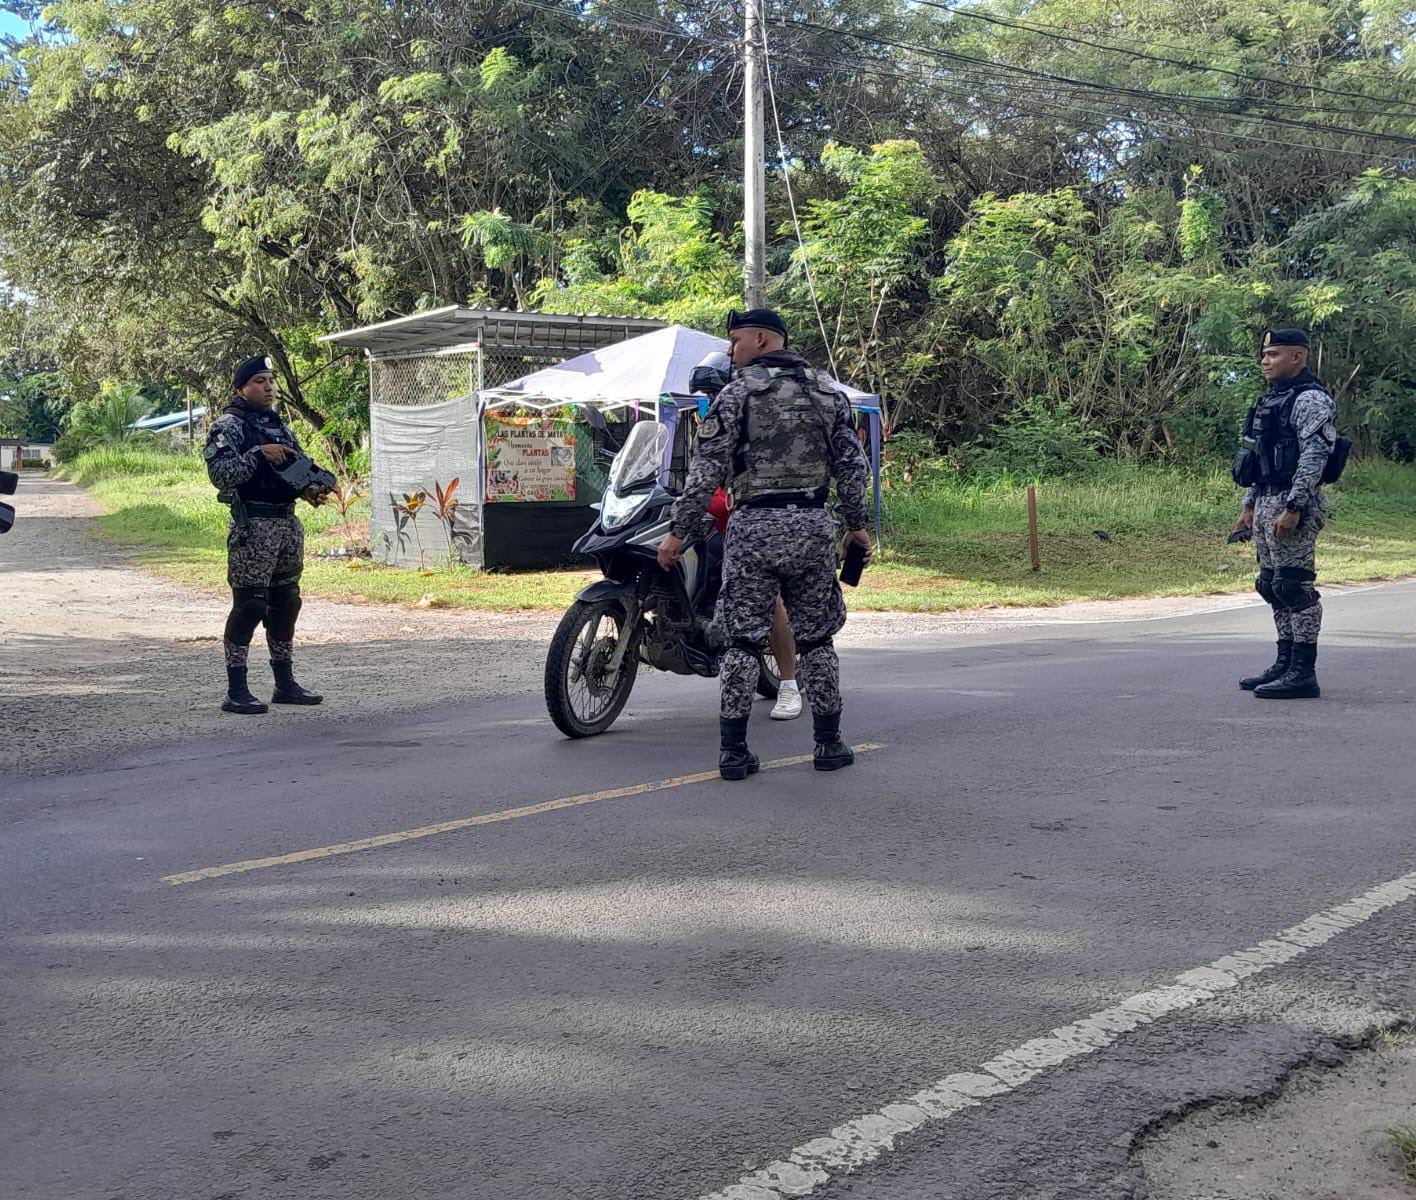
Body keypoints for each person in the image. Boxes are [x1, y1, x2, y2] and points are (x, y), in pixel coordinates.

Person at [659, 309, 871, 780]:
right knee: (817, 639)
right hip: (812, 526)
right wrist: (855, 526)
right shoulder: (827, 393)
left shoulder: (736, 395)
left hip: (753, 528)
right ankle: (829, 743)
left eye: (735, 340)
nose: (730, 350)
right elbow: (852, 466)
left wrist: (679, 532)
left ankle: (734, 752)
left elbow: (706, 471)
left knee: (741, 641)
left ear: (761, 339)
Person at [204, 355, 330, 715]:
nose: (269, 387)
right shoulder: (228, 426)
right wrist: (258, 454)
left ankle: (285, 684)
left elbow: (293, 469)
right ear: (240, 389)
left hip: (287, 525)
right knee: (250, 605)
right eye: (259, 381)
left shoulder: (279, 427)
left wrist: (310, 489)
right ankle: (237, 690)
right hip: (253, 527)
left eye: (271, 380)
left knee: (286, 603)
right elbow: (221, 475)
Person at [1231, 329, 1337, 700]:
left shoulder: (1310, 399)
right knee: (1271, 585)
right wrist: (1248, 505)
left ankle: (1303, 673)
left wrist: (1295, 506)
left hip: (1292, 504)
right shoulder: (1272, 400)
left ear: (1297, 356)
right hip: (1265, 500)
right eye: (1264, 354)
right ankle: (1285, 662)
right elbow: (1260, 458)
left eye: (1274, 354)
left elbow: (1315, 456)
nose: (1266, 361)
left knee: (1294, 587)